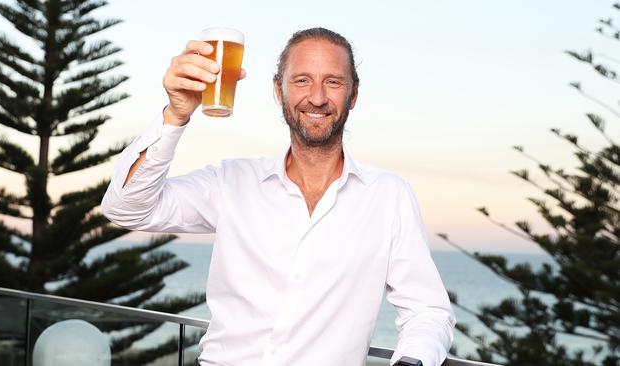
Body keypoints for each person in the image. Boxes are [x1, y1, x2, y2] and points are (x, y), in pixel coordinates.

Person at [101, 27, 455, 366]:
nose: (317, 97)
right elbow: (126, 209)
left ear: (354, 95)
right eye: (302, 80)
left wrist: (411, 362)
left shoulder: (388, 196)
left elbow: (427, 310)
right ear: (278, 90)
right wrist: (175, 115)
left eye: (333, 82)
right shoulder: (230, 181)